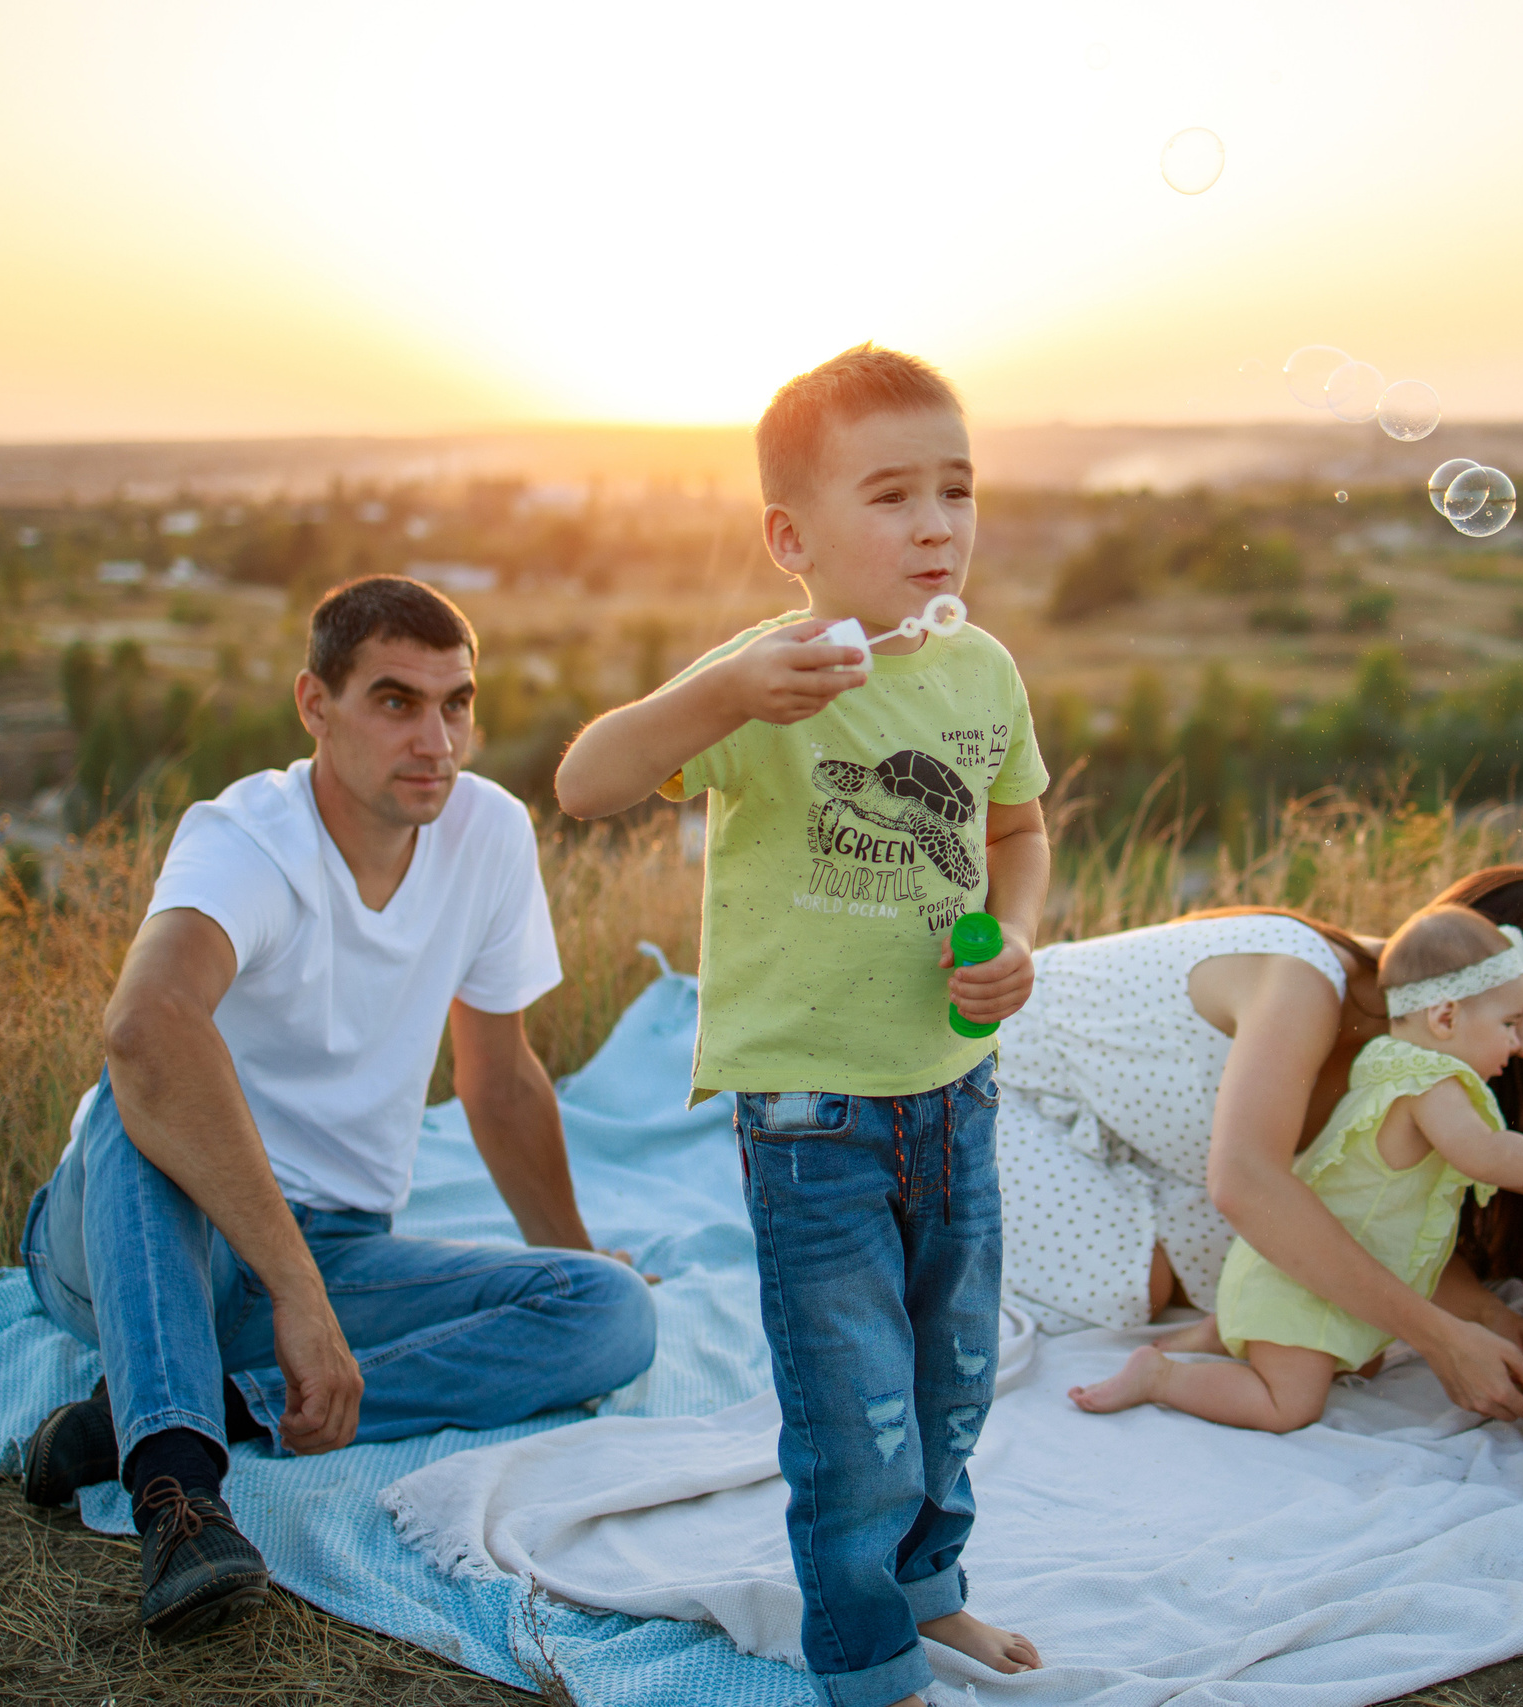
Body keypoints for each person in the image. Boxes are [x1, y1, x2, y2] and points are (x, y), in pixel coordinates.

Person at [17, 576, 656, 1643]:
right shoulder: (248, 838)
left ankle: (215, 1404)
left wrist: (577, 1260)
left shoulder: (487, 835)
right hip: (141, 1238)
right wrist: (297, 1296)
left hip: (341, 1248)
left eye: (455, 703)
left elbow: (497, 1082)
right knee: (149, 1094)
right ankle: (178, 1497)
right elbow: (144, 1025)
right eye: (395, 702)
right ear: (315, 706)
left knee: (613, 1314)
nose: (436, 740)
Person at [557, 344, 1050, 1707]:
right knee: (854, 1418)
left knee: (951, 1384)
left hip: (956, 1093)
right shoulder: (766, 677)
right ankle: (864, 1660)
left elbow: (1017, 827)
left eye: (956, 487)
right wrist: (724, 693)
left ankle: (929, 1592)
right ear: (792, 535)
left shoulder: (982, 670)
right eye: (890, 495)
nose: (937, 523)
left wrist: (1016, 931)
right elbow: (588, 777)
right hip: (813, 1118)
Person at [992, 866, 1523, 1422]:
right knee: (1140, 1283)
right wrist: (1441, 1339)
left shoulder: (1416, 1062)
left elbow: (1369, 1207)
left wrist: (1485, 1318)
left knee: (1304, 1277)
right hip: (1003, 1077)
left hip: (1142, 1140)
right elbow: (1244, 1184)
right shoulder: (1305, 980)